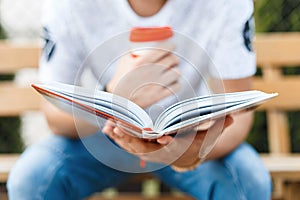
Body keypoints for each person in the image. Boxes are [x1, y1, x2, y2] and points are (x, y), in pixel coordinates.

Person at [7, 0, 272, 199]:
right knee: (30, 179)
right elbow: (55, 117)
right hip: (104, 135)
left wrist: (188, 151)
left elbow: (239, 115)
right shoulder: (70, 4)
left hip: (189, 136)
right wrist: (115, 99)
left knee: (250, 180)